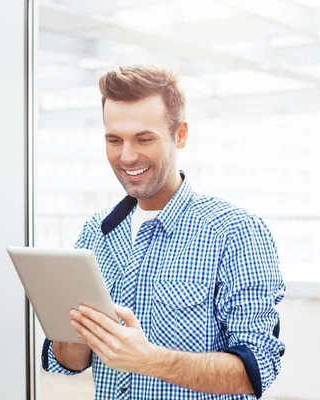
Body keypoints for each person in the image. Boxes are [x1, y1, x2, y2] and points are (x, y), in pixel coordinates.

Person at [41, 64, 286, 400]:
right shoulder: (95, 233)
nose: (127, 156)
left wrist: (149, 360)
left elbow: (259, 366)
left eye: (144, 139)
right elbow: (71, 360)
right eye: (114, 140)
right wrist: (66, 321)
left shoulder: (235, 231)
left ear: (180, 134)